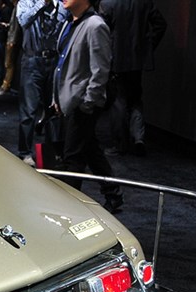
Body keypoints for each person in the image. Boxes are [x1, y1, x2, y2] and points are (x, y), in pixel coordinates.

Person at [53, 0, 124, 213]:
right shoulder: (69, 23)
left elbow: (100, 70)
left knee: (73, 157)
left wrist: (88, 102)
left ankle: (69, 209)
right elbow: (62, 65)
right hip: (69, 101)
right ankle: (113, 194)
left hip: (82, 104)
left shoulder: (95, 25)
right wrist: (57, 98)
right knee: (89, 148)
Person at [99, 0, 167, 156]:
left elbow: (101, 32)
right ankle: (139, 139)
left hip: (116, 60)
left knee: (118, 101)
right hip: (137, 60)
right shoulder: (144, 2)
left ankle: (120, 144)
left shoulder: (108, 3)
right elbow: (160, 24)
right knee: (136, 98)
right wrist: (147, 47)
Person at [16, 0, 68, 165]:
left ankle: (53, 151)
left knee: (53, 109)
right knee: (29, 110)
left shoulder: (61, 6)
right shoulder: (26, 3)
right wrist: (41, 4)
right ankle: (25, 152)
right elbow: (23, 21)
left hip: (54, 60)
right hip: (32, 60)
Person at [0, 0, 21, 96]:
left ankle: (6, 86)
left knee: (8, 64)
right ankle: (7, 85)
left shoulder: (18, 8)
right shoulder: (15, 8)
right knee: (8, 64)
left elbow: (15, 27)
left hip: (12, 40)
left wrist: (12, 41)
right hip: (11, 39)